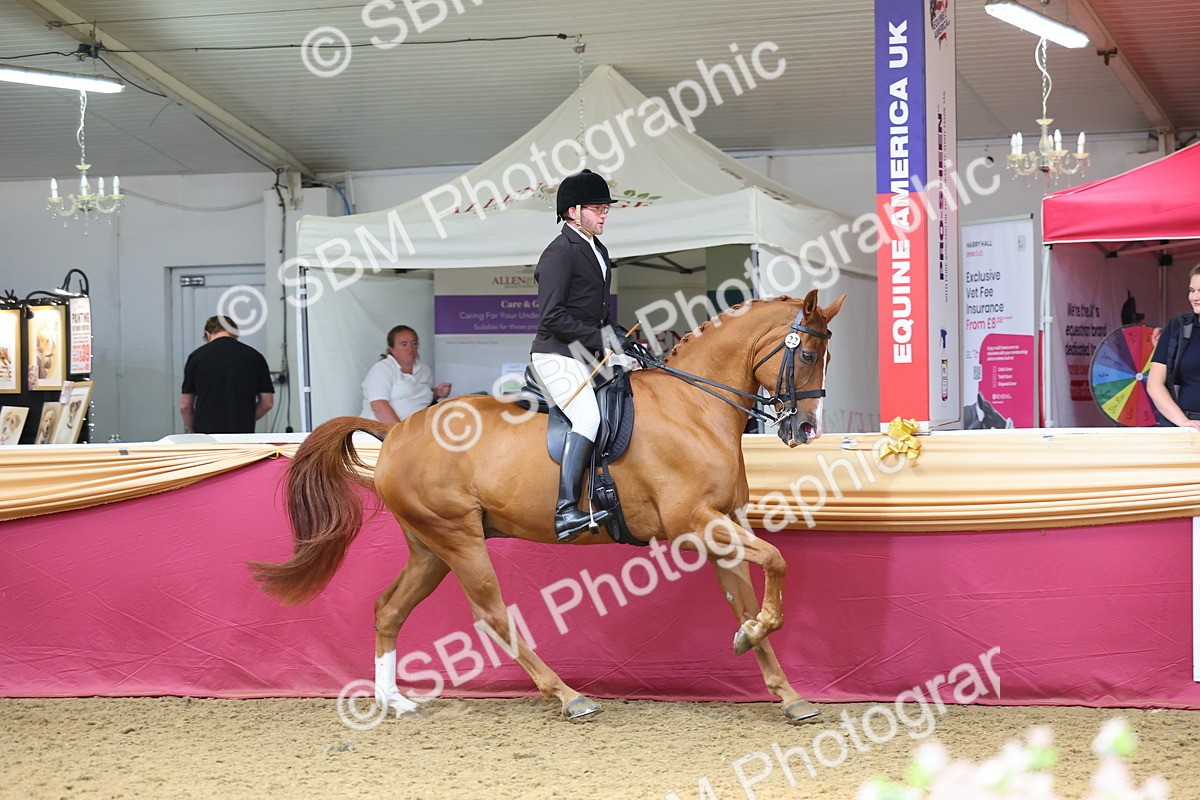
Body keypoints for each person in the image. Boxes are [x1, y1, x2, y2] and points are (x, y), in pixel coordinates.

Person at [530, 168, 635, 543]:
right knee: (588, 417)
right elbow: (553, 316)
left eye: (605, 208)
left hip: (586, 350)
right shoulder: (559, 252)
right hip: (556, 353)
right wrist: (603, 340)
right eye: (597, 208)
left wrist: (620, 337)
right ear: (573, 211)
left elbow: (598, 312)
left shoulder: (597, 248)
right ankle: (565, 511)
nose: (604, 213)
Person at [180, 316, 274, 434]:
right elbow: (267, 402)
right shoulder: (255, 357)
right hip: (242, 435)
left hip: (206, 435)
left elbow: (185, 406)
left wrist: (197, 430)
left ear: (207, 334)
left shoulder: (196, 357)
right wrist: (245, 419)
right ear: (236, 335)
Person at [361, 325, 451, 424]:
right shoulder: (382, 369)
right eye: (404, 344)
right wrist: (401, 434)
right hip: (381, 432)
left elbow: (419, 396)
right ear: (391, 348)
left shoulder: (424, 370)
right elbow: (379, 406)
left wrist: (437, 392)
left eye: (414, 343)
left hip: (416, 429)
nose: (410, 348)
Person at [1148, 264, 1200, 429]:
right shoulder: (1178, 326)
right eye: (1192, 290)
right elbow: (1155, 384)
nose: (1194, 297)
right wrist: (1183, 422)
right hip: (1184, 425)